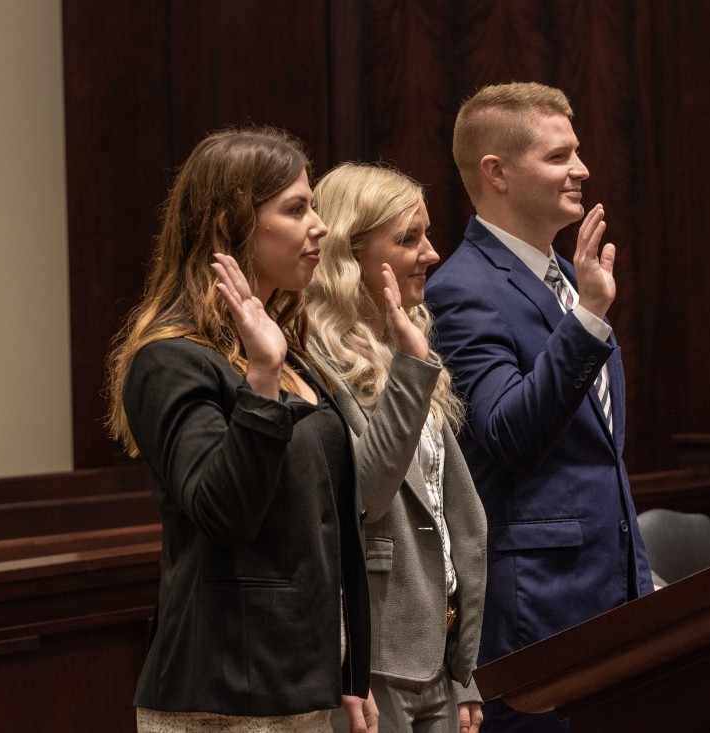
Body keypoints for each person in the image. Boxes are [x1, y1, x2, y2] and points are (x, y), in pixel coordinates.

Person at [105, 127, 377, 733]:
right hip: (225, 694)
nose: (320, 226)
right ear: (231, 225)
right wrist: (260, 381)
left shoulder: (289, 354)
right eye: (296, 208)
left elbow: (330, 519)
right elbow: (222, 510)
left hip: (300, 680)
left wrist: (350, 669)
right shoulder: (170, 359)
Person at [423, 83, 655, 732]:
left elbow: (599, 452)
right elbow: (511, 434)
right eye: (559, 157)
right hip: (537, 611)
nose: (581, 169)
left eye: (577, 152)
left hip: (611, 595)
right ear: (496, 172)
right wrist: (587, 318)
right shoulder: (460, 291)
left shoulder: (568, 278)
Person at [305, 162, 488, 733]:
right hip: (375, 658)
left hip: (438, 652)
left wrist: (463, 674)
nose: (432, 253)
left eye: (426, 234)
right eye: (408, 239)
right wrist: (413, 369)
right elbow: (365, 496)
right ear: (348, 253)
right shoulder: (314, 364)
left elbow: (444, 507)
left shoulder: (403, 344)